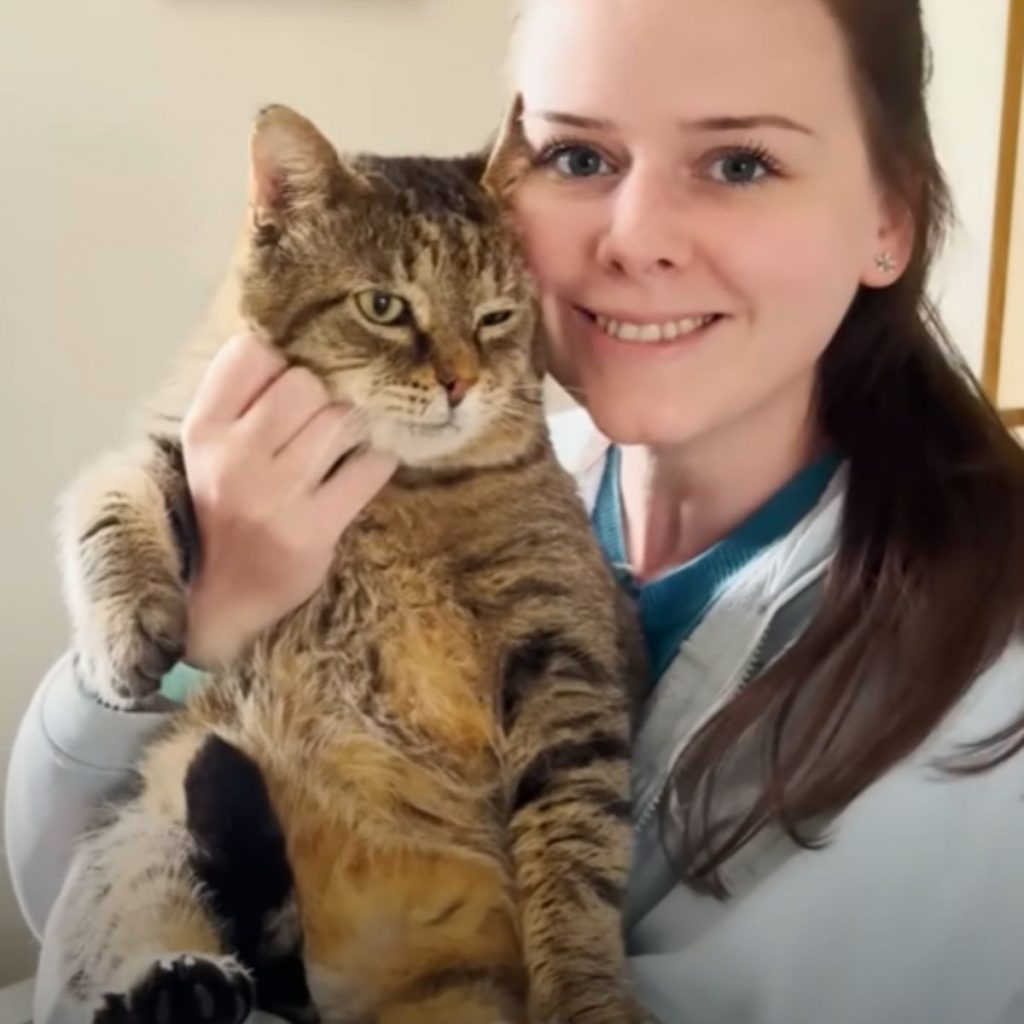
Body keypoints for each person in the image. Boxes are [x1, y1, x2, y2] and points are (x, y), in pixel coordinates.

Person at [9, 0, 1024, 1021]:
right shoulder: (474, 458)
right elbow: (61, 889)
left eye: (739, 163)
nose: (635, 242)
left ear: (890, 217)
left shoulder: (990, 695)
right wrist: (206, 622)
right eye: (578, 158)